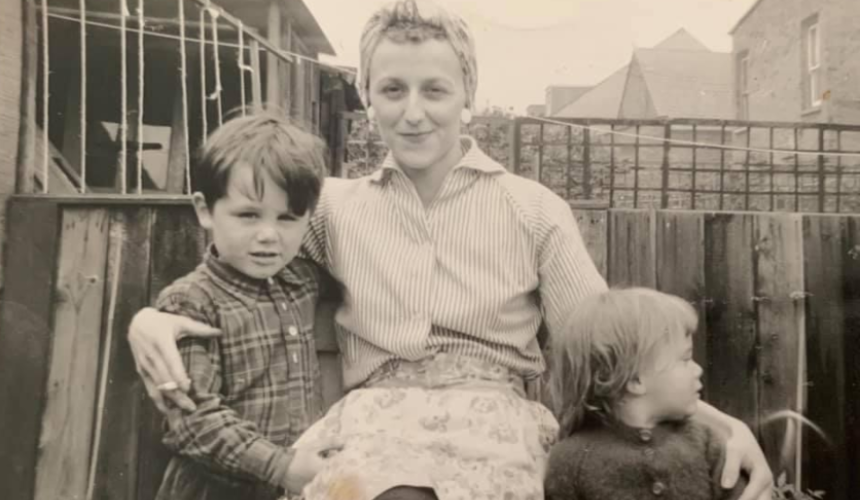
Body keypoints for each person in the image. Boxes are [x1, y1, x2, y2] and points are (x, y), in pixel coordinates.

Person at [128, 1, 773, 499]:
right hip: (376, 426)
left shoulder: (532, 209)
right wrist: (148, 319)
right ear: (366, 95)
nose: (413, 114)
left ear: (468, 93)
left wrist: (722, 425)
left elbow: (613, 349)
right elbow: (239, 270)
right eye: (392, 90)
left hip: (494, 426)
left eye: (434, 90)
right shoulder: (331, 207)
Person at [150, 113, 335, 500]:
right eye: (248, 215)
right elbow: (191, 418)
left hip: (291, 485)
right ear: (205, 210)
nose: (268, 235)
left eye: (287, 218)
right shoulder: (191, 302)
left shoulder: (302, 279)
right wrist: (280, 466)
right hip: (216, 490)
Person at [544, 288, 746, 500]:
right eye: (685, 359)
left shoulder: (705, 442)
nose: (698, 369)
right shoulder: (570, 461)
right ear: (635, 380)